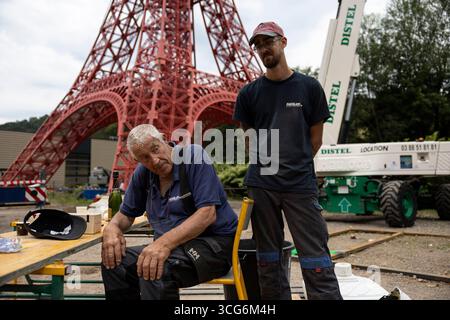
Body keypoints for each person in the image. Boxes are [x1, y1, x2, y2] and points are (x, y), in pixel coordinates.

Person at [232, 22, 342, 300]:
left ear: (283, 41)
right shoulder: (249, 94)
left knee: (315, 257)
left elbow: (315, 140)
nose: (263, 49)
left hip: (300, 185)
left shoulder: (309, 88)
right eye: (257, 45)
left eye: (268, 41)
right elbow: (251, 140)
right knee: (267, 259)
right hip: (262, 185)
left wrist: (294, 166)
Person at [101, 124, 238, 300]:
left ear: (164, 139)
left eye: (155, 149)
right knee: (113, 262)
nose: (155, 160)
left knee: (154, 268)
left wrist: (162, 244)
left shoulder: (193, 156)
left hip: (214, 246)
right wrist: (112, 228)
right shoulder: (143, 173)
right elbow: (126, 215)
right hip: (175, 247)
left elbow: (207, 214)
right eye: (145, 158)